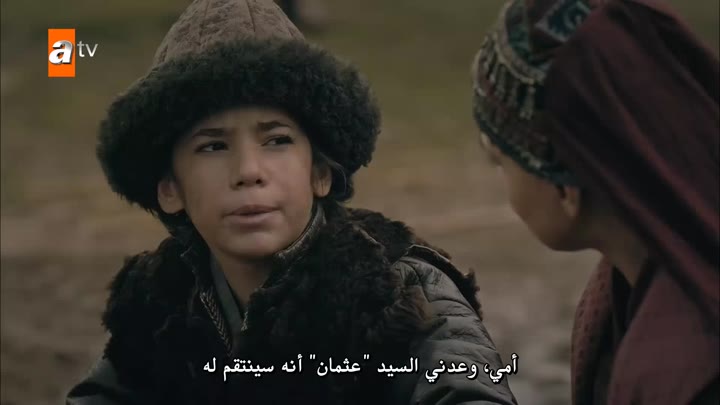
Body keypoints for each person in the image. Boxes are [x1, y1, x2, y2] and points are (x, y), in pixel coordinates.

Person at [65, 0, 518, 404]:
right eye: (213, 146)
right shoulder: (158, 305)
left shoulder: (401, 294)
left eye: (277, 140)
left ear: (320, 172)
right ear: (170, 188)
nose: (248, 171)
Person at [470, 0, 719, 404]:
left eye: (501, 162)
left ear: (564, 188)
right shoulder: (627, 290)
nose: (504, 182)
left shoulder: (692, 372)